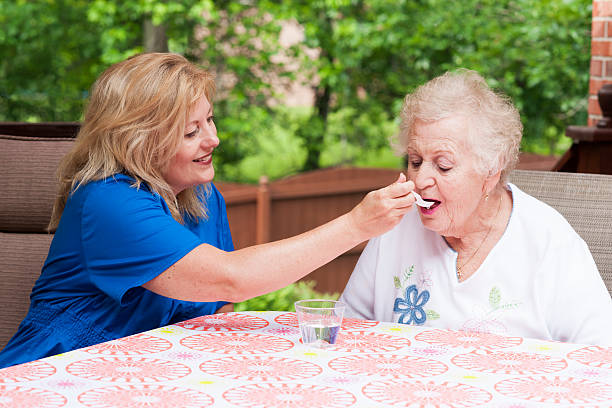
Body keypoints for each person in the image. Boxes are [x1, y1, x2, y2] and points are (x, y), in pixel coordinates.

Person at [0, 53, 417, 368]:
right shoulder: (108, 202)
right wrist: (357, 224)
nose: (213, 140)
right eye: (191, 131)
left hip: (144, 374)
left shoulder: (202, 196)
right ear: (138, 141)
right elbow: (231, 279)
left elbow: (218, 305)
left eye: (210, 121)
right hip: (58, 371)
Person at [339, 69, 612, 346]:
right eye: (415, 161)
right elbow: (347, 329)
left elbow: (601, 353)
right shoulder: (394, 225)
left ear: (491, 169)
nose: (420, 180)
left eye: (443, 165)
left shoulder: (548, 242)